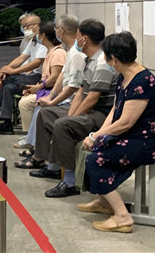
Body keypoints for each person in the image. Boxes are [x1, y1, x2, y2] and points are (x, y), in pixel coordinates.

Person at [80, 32, 155, 233]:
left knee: (95, 160)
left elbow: (125, 123)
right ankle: (104, 202)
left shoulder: (142, 81)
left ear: (114, 60)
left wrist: (95, 136)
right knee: (94, 147)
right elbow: (115, 111)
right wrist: (98, 134)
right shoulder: (125, 76)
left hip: (148, 141)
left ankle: (122, 217)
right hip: (133, 134)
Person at [28, 19, 118, 198]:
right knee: (46, 114)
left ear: (84, 39)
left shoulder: (102, 62)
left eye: (78, 36)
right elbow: (81, 92)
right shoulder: (90, 60)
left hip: (102, 114)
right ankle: (52, 166)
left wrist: (71, 118)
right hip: (90, 110)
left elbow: (92, 99)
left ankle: (70, 182)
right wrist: (70, 114)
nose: (76, 40)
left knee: (63, 125)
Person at [14, 14, 85, 152]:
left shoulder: (70, 53)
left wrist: (51, 99)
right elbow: (62, 76)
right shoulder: (68, 51)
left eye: (57, 27)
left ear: (61, 31)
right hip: (57, 92)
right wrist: (50, 95)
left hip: (68, 99)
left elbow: (69, 85)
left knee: (39, 109)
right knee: (37, 104)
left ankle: (37, 149)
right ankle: (35, 145)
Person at [0, 13, 47, 135]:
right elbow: (21, 58)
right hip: (31, 76)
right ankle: (6, 124)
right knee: (9, 87)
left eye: (27, 26)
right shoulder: (32, 41)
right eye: (23, 26)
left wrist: (12, 71)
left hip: (39, 78)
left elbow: (36, 63)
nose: (25, 29)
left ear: (37, 25)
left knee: (9, 77)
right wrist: (6, 68)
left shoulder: (44, 41)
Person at [17, 21, 66, 133]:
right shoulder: (50, 51)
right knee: (25, 99)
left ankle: (31, 136)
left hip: (53, 91)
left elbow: (55, 77)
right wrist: (34, 88)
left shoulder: (58, 53)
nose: (37, 37)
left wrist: (38, 87)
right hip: (46, 88)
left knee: (25, 104)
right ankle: (31, 134)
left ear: (43, 35)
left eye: (38, 34)